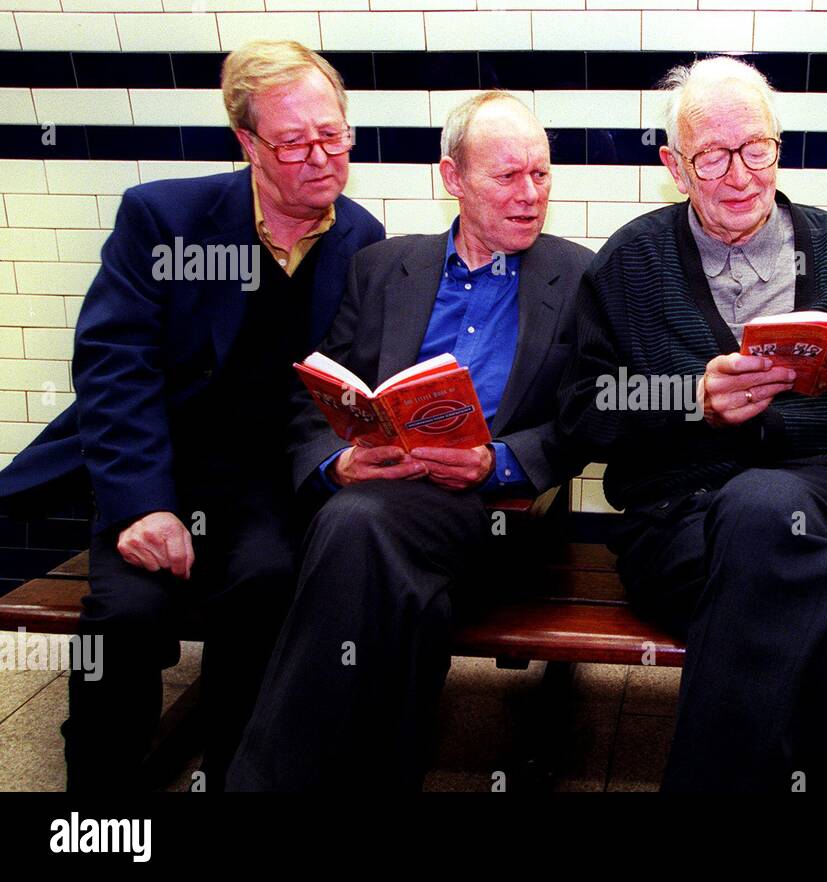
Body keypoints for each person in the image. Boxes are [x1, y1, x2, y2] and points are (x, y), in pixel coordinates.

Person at [0, 40, 384, 790]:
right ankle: (100, 805)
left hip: (267, 484)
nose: (321, 157)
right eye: (294, 141)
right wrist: (144, 506)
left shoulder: (360, 238)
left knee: (269, 590)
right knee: (127, 616)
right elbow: (115, 370)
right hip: (159, 466)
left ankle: (237, 773)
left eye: (333, 134)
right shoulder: (164, 217)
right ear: (247, 143)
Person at [559, 57, 827, 792]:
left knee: (762, 505)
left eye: (756, 148)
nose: (741, 173)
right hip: (675, 523)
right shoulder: (630, 261)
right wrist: (691, 399)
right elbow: (582, 413)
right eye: (713, 156)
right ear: (675, 167)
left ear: (778, 146)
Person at [227, 91, 592, 791]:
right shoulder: (383, 268)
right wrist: (342, 461)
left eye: (541, 175)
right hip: (378, 504)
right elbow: (317, 399)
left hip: (494, 514)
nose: (530, 196)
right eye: (507, 176)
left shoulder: (578, 278)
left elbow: (589, 418)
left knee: (356, 529)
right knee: (399, 587)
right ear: (452, 178)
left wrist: (499, 460)